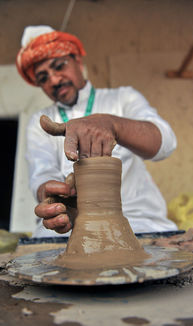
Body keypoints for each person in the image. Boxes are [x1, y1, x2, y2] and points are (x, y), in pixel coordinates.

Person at [16, 25, 178, 237]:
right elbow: (41, 173)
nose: (54, 80)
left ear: (78, 61)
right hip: (75, 222)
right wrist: (53, 196)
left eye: (59, 66)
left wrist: (113, 125)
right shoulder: (41, 121)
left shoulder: (123, 98)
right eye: (43, 78)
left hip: (137, 220)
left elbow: (165, 144)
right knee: (44, 243)